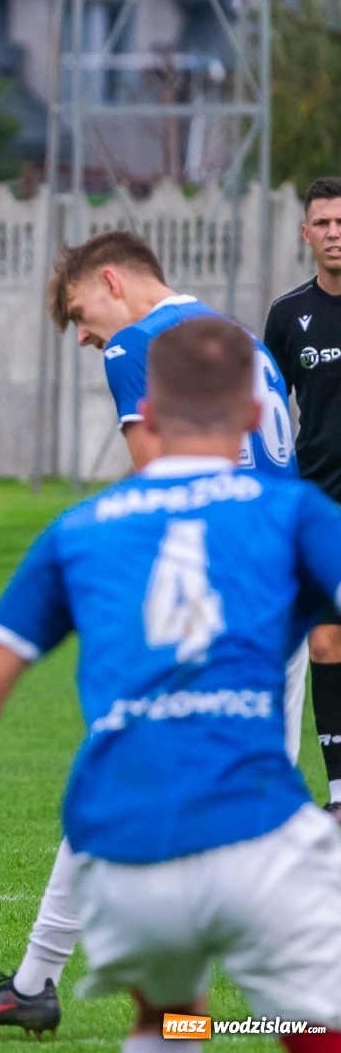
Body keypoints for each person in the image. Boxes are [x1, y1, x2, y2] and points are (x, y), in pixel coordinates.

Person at [0, 316, 341, 1053]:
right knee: (319, 1022)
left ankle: (181, 1026)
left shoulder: (79, 530)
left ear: (144, 414)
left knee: (166, 1021)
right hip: (257, 832)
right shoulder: (294, 512)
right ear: (253, 416)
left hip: (125, 850)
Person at [0, 231, 309, 1035]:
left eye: (81, 314)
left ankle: (61, 986)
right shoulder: (240, 337)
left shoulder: (139, 348)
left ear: (111, 280)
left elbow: (163, 484)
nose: (85, 337)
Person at [264, 176, 341, 822]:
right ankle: (340, 791)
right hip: (319, 509)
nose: (334, 233)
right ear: (306, 234)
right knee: (324, 645)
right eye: (323, 223)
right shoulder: (289, 317)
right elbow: (267, 412)